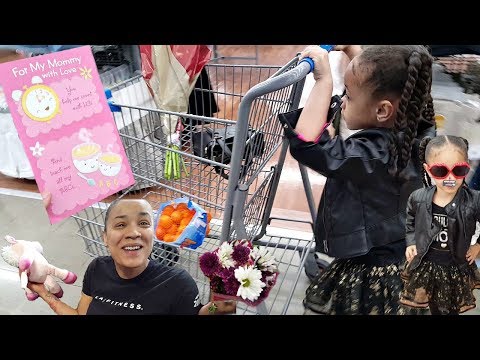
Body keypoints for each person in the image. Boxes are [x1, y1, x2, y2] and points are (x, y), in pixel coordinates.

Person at [278, 45, 436, 315]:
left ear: (383, 111)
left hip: (375, 269)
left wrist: (323, 80)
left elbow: (307, 145)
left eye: (348, 96)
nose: (342, 102)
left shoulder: (373, 156)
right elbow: (371, 95)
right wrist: (353, 51)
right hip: (396, 247)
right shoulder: (413, 129)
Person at [26, 198, 236, 315]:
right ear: (106, 238)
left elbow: (211, 312)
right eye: (120, 224)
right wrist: (42, 291)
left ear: (153, 235)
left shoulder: (177, 283)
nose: (134, 232)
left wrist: (227, 295)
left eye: (144, 223)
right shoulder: (97, 268)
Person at [399, 135, 480, 315]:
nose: (450, 178)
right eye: (441, 171)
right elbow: (410, 221)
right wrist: (411, 242)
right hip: (428, 264)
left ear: (467, 167)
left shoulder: (474, 200)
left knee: (451, 307)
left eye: (458, 170)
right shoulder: (418, 198)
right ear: (428, 170)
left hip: (456, 265)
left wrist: (478, 245)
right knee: (434, 305)